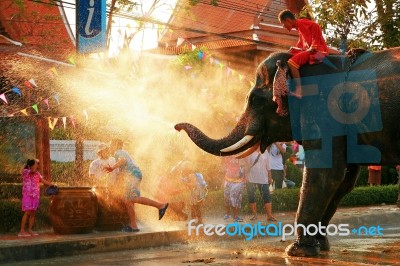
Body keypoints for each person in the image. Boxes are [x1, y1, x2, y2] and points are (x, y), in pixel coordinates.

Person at [105, 139, 169, 232]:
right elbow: (123, 169)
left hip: (133, 175)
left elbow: (122, 160)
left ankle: (160, 206)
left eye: (110, 144)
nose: (109, 146)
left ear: (115, 145)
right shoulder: (123, 152)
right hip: (134, 175)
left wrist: (112, 168)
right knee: (128, 200)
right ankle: (133, 226)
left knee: (132, 198)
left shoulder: (118, 152)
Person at [278, 9, 329, 98]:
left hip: (318, 53)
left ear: (288, 20)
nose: (284, 26)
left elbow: (316, 26)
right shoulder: (299, 27)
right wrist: (295, 49)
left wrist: (313, 47)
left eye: (283, 23)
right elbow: (302, 45)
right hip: (311, 50)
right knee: (291, 53)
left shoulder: (303, 23)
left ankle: (299, 90)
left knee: (291, 63)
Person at [19, 159, 53, 237]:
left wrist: (52, 184)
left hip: (35, 196)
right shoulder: (26, 172)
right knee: (27, 212)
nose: (37, 166)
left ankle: (30, 230)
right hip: (27, 196)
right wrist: (31, 162)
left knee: (33, 213)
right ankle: (22, 231)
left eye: (37, 165)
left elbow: (43, 181)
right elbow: (23, 170)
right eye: (35, 165)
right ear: (30, 166)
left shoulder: (37, 174)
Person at [244, 148, 277, 222]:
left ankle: (269, 216)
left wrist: (270, 177)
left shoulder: (265, 152)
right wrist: (245, 177)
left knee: (267, 197)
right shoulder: (250, 151)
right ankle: (255, 215)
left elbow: (268, 166)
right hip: (251, 178)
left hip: (263, 179)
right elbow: (246, 165)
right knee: (251, 197)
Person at [223, 156, 245, 222]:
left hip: (238, 181)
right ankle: (228, 214)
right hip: (228, 180)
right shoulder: (226, 155)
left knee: (236, 198)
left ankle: (236, 216)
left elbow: (244, 166)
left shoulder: (241, 155)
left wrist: (244, 178)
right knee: (227, 198)